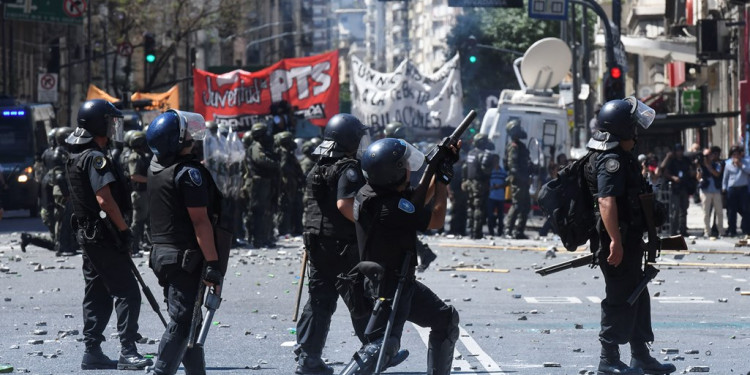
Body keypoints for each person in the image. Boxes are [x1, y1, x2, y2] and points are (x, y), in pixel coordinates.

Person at [348, 137, 460, 374]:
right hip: (388, 288)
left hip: (395, 281)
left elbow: (415, 201)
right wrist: (442, 181)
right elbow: (436, 219)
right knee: (381, 348)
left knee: (444, 320)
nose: (409, 168)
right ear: (394, 173)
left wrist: (435, 168)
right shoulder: (389, 208)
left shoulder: (372, 192)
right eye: (404, 165)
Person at [583, 97, 675, 375]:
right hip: (618, 241)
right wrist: (615, 241)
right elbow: (606, 201)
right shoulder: (611, 160)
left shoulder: (620, 156)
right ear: (621, 130)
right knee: (620, 297)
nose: (636, 135)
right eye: (632, 129)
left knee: (637, 294)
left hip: (629, 239)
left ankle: (640, 355)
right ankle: (608, 359)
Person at [64, 99, 151, 370]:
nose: (115, 127)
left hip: (88, 235)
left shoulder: (77, 155)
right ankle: (128, 351)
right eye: (111, 122)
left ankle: (92, 350)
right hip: (103, 234)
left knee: (98, 291)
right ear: (99, 124)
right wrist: (124, 232)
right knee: (128, 291)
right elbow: (105, 201)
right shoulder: (95, 158)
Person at [294, 113, 379, 375]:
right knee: (359, 297)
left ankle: (308, 358)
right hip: (342, 245)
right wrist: (368, 223)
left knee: (319, 300)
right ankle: (375, 350)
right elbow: (345, 205)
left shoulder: (318, 166)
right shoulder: (348, 168)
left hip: (318, 244)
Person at [146, 110, 224, 375]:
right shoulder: (189, 173)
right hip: (184, 258)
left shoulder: (157, 166)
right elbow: (200, 222)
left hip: (163, 254)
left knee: (192, 318)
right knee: (182, 320)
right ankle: (161, 371)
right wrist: (213, 263)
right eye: (186, 134)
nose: (192, 137)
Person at [247, 122, 280, 248]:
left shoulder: (264, 146)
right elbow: (261, 160)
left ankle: (265, 237)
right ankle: (257, 239)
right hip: (258, 183)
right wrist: (274, 163)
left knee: (266, 211)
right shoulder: (256, 146)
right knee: (258, 212)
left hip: (265, 182)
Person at [462, 133, 495, 239]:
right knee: (479, 208)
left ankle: (470, 230)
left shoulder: (470, 153)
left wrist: (464, 180)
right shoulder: (483, 154)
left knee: (471, 207)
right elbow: (486, 171)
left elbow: (464, 168)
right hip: (479, 184)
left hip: (469, 182)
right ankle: (477, 232)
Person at [504, 120, 531, 239]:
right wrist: (523, 178)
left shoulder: (521, 146)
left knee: (526, 206)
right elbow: (512, 167)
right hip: (518, 181)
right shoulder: (513, 147)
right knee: (516, 205)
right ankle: (508, 230)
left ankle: (519, 231)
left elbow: (526, 162)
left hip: (524, 180)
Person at [275, 131, 305, 237]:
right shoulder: (283, 153)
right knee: (285, 207)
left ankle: (292, 228)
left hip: (292, 183)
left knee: (292, 206)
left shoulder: (289, 153)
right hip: (286, 183)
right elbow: (282, 167)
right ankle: (283, 229)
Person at [661, 144, 694, 236]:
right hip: (675, 188)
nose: (679, 152)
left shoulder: (686, 160)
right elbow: (665, 172)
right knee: (675, 210)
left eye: (681, 150)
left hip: (684, 187)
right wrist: (673, 178)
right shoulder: (672, 161)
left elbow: (691, 170)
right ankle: (674, 230)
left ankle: (683, 230)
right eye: (678, 150)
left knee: (684, 209)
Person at [127, 131, 151, 255]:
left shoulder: (142, 156)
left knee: (147, 221)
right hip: (139, 193)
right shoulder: (135, 157)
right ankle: (132, 247)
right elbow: (134, 176)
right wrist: (150, 180)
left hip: (145, 192)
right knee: (137, 223)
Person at [721, 145, 750, 237]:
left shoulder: (746, 162)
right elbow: (725, 178)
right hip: (732, 189)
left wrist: (740, 165)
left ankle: (746, 229)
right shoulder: (728, 165)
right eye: (734, 155)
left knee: (745, 210)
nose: (736, 156)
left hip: (743, 189)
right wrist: (724, 188)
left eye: (738, 154)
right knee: (731, 211)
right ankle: (732, 229)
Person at [697, 146, 724, 238]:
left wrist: (708, 166)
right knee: (706, 212)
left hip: (716, 190)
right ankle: (707, 231)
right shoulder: (700, 165)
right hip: (705, 191)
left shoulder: (717, 164)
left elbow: (717, 174)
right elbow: (698, 177)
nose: (707, 157)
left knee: (719, 211)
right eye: (706, 155)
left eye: (709, 155)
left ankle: (721, 231)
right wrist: (700, 168)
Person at [487, 154, 506, 237]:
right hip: (491, 196)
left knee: (500, 216)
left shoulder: (503, 172)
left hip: (500, 197)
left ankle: (500, 232)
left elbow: (506, 183)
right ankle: (491, 232)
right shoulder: (490, 171)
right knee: (490, 215)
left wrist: (499, 186)